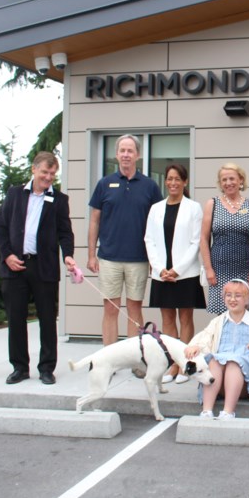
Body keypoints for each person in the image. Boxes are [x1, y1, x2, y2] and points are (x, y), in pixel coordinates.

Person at [0, 151, 76, 385]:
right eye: (45, 172)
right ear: (34, 169)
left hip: (44, 267)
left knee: (48, 319)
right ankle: (19, 368)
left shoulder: (59, 200)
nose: (48, 177)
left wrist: (68, 256)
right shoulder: (14, 194)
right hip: (15, 267)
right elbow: (0, 227)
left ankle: (47, 368)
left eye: (52, 174)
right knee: (16, 318)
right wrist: (7, 255)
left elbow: (65, 232)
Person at [87, 134, 163, 346]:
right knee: (110, 308)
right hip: (109, 258)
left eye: (130, 151)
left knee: (134, 309)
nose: (126, 155)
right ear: (116, 154)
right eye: (122, 150)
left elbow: (157, 226)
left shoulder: (150, 186)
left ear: (138, 155)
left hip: (139, 259)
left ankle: (134, 359)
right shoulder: (104, 184)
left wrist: (154, 260)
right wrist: (91, 254)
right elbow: (94, 222)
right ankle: (109, 358)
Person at [144, 163, 205, 383]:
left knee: (186, 317)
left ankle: (184, 364)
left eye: (177, 179)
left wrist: (176, 270)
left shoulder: (194, 208)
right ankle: (172, 364)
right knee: (167, 318)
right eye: (169, 179)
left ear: (184, 181)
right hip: (161, 274)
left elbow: (195, 242)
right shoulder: (156, 208)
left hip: (185, 274)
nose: (172, 183)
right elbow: (149, 240)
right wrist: (160, 268)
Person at [185, 279, 249, 419]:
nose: (232, 299)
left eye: (238, 296)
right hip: (219, 382)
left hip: (246, 383)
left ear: (247, 300)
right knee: (214, 361)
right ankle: (206, 411)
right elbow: (204, 341)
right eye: (228, 295)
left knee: (234, 362)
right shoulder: (216, 322)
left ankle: (228, 412)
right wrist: (196, 347)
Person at [200, 162, 249, 314]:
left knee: (244, 311)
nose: (228, 183)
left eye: (232, 179)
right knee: (222, 313)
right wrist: (208, 269)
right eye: (224, 180)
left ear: (240, 180)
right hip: (219, 270)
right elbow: (203, 238)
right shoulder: (212, 204)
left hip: (244, 270)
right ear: (220, 183)